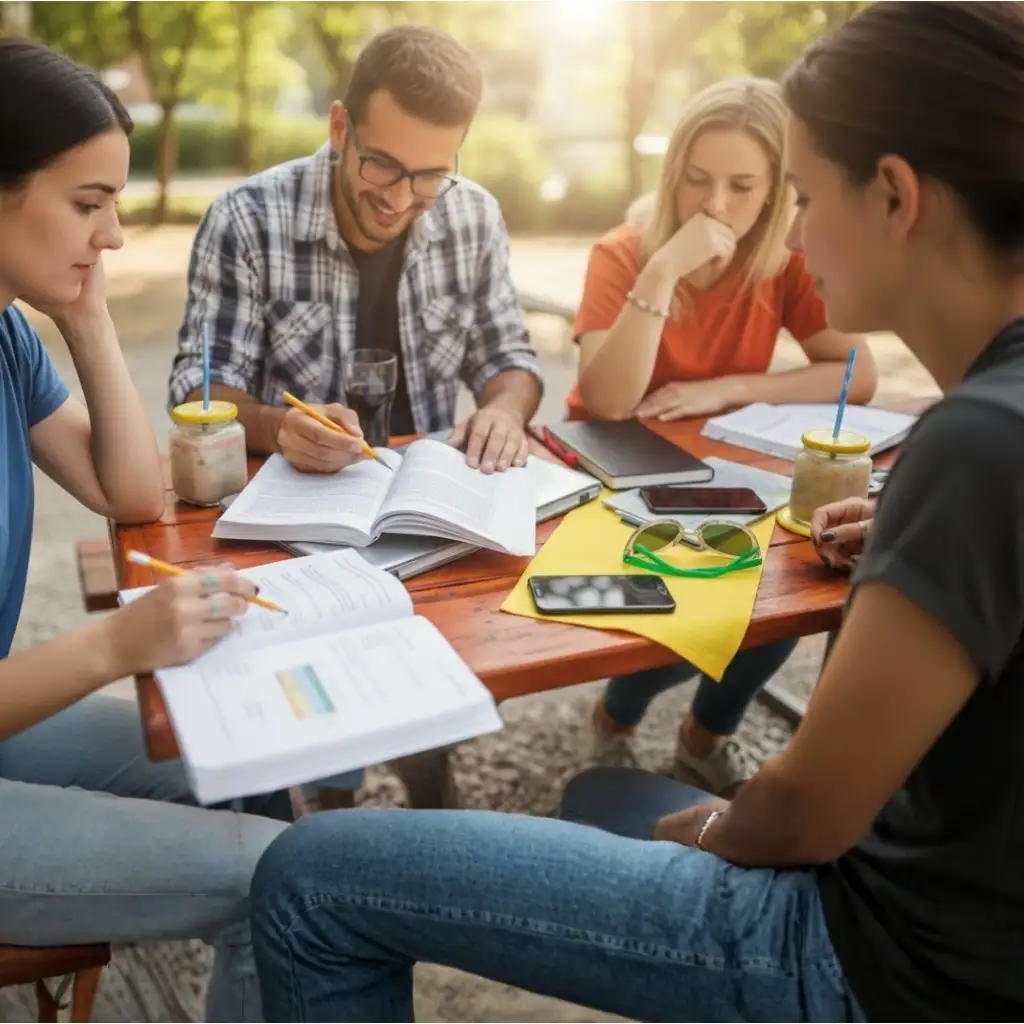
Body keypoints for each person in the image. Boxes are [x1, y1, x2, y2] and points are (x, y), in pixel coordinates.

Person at [250, 2, 1024, 1019]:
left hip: (864, 960)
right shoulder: (981, 448)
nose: (786, 229)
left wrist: (706, 831)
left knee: (311, 872)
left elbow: (800, 814)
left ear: (893, 196)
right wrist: (915, 540)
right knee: (600, 797)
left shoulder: (973, 447)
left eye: (796, 192)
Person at [0, 39, 291, 1022]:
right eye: (89, 205)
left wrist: (83, 321)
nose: (115, 234)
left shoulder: (5, 332)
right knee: (283, 881)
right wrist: (121, 641)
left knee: (235, 747)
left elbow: (126, 491)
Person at [573, 77, 877, 796]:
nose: (715, 206)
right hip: (619, 476)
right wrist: (664, 266)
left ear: (776, 192)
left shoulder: (781, 261)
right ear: (673, 176)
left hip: (720, 475)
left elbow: (855, 370)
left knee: (782, 602)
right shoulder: (622, 254)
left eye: (743, 186)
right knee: (690, 608)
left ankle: (703, 738)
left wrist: (732, 386)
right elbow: (610, 401)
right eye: (697, 182)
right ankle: (617, 715)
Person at [167, 23, 542, 478]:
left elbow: (508, 359)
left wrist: (504, 412)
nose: (400, 201)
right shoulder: (245, 220)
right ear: (341, 129)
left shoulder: (474, 215)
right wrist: (278, 427)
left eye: (429, 175)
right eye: (382, 165)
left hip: (426, 497)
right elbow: (203, 389)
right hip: (289, 496)